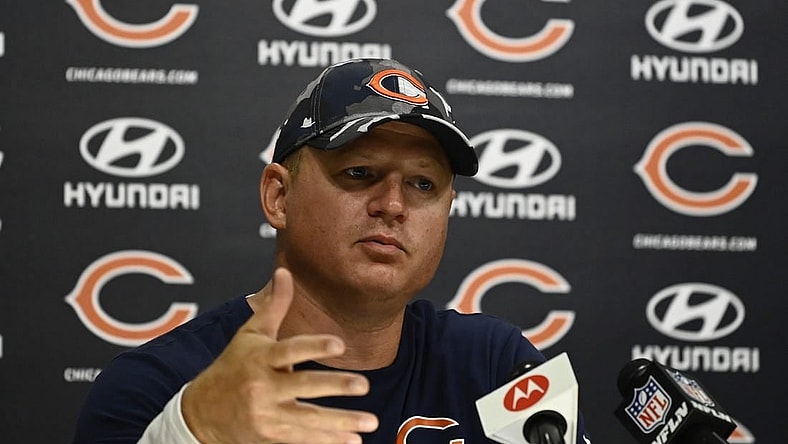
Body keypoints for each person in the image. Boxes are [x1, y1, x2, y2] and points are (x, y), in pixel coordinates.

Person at [72, 58, 590, 443]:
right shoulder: (158, 388)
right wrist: (189, 434)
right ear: (279, 196)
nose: (393, 205)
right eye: (359, 174)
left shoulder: (498, 365)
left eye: (424, 186)